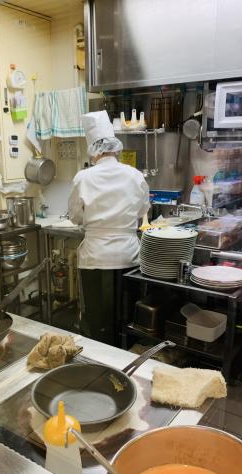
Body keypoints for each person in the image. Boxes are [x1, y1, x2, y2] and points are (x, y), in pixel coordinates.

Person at [68, 110, 150, 345]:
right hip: (128, 256)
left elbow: (75, 216)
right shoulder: (134, 175)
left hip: (95, 258)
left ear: (93, 150)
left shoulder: (83, 177)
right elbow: (143, 210)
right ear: (116, 147)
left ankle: (100, 361)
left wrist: (92, 220)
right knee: (127, 319)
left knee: (97, 322)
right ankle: (126, 359)